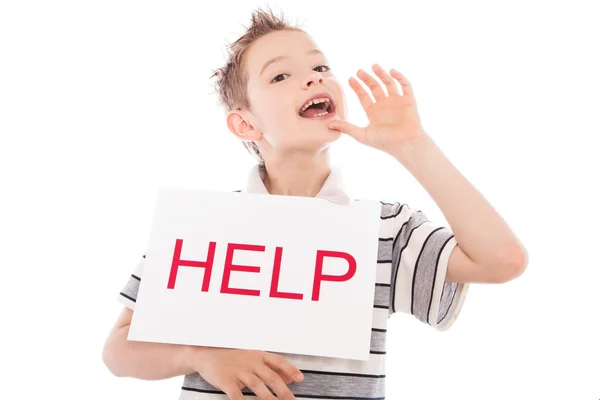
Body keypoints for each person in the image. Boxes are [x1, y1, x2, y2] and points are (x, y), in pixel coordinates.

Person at [102, 7, 528, 400]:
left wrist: (413, 146)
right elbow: (118, 350)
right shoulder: (201, 227)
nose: (314, 79)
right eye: (280, 77)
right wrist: (198, 355)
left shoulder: (386, 229)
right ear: (246, 123)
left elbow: (503, 260)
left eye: (320, 67)